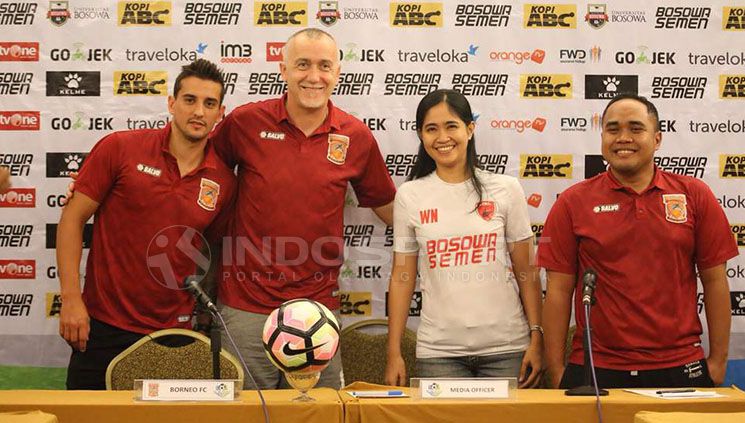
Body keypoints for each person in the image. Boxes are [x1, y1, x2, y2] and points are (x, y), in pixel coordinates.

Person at [209, 28, 396, 389]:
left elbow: (387, 206)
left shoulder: (355, 136)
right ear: (283, 70)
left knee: (318, 413)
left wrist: (449, 222)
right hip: (246, 306)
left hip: (317, 311)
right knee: (247, 415)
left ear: (337, 73)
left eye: (324, 66)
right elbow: (197, 170)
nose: (314, 76)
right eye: (302, 65)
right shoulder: (246, 123)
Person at [57, 59, 236, 389]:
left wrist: (201, 319)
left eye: (209, 103)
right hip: (103, 325)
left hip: (174, 333)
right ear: (171, 103)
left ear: (220, 113)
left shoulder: (223, 181)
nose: (199, 111)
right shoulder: (121, 149)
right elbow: (72, 218)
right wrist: (70, 299)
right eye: (189, 100)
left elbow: (211, 252)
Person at [538, 94, 738, 389]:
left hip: (680, 365)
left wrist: (718, 360)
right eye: (612, 129)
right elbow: (557, 291)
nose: (623, 138)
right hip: (595, 366)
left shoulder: (694, 195)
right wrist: (555, 369)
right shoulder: (572, 202)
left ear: (657, 139)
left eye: (635, 128)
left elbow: (716, 281)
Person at [384, 89, 543, 387]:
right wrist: (393, 352)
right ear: (421, 136)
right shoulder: (410, 195)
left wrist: (537, 337)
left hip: (508, 349)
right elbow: (402, 276)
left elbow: (527, 271)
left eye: (451, 126)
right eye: (431, 129)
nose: (442, 137)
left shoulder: (506, 189)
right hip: (438, 354)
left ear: (470, 129)